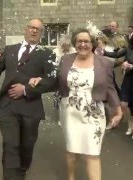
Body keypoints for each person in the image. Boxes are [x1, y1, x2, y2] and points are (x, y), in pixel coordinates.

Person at [0, 18, 57, 180]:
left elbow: (52, 79)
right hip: (7, 105)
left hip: (31, 108)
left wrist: (27, 89)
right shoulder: (10, 49)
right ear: (25, 29)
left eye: (38, 29)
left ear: (42, 34)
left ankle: (23, 166)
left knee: (26, 145)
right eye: (31, 27)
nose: (34, 31)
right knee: (11, 145)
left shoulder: (47, 54)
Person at [29, 28, 121, 180]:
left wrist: (118, 111)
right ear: (74, 43)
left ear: (92, 44)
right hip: (70, 111)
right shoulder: (66, 60)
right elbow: (57, 82)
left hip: (94, 113)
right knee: (72, 150)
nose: (83, 44)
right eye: (79, 41)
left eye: (86, 41)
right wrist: (40, 80)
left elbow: (110, 88)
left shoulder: (104, 63)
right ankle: (71, 177)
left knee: (93, 152)